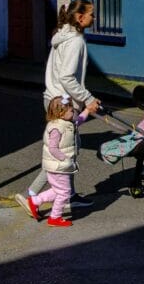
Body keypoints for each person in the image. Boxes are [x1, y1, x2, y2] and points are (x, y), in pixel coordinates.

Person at [23, 0, 101, 211]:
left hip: (54, 98)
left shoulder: (61, 35)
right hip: (64, 101)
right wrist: (87, 99)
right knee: (64, 152)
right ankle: (32, 194)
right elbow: (67, 77)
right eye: (91, 14)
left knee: (70, 147)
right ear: (80, 17)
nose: (94, 18)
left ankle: (70, 195)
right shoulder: (75, 41)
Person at [16, 95, 96, 227]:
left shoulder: (66, 123)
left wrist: (87, 110)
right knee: (64, 192)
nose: (73, 112)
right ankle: (55, 217)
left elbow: (79, 121)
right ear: (61, 113)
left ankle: (35, 201)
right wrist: (65, 159)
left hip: (58, 166)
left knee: (58, 190)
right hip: (58, 166)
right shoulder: (56, 128)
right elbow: (53, 148)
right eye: (71, 110)